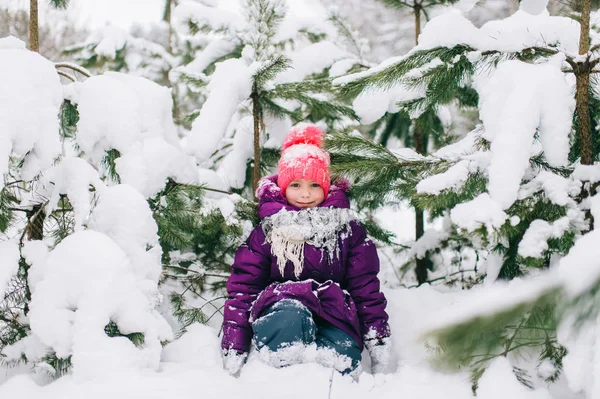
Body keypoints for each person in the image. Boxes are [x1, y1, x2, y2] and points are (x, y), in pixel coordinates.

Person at [220, 124, 391, 377]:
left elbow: (365, 287)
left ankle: (328, 380)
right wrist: (235, 346)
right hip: (282, 310)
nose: (306, 194)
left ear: (326, 186)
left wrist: (377, 342)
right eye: (296, 185)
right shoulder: (268, 231)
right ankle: (283, 376)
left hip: (334, 313)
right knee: (290, 315)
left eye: (314, 185)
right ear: (283, 187)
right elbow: (244, 289)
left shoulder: (347, 229)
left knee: (343, 358)